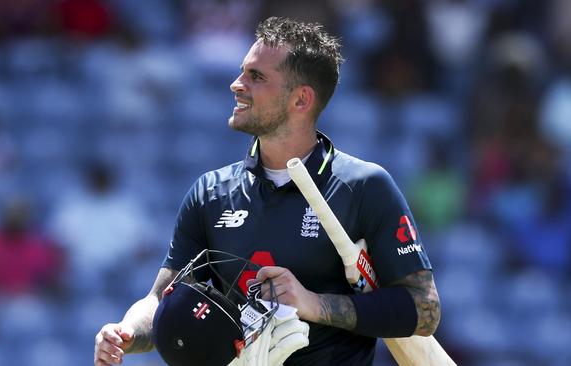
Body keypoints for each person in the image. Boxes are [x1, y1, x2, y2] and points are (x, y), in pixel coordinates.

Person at [94, 17, 440, 366]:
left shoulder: (364, 186)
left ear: (301, 100)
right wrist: (125, 334)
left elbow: (424, 309)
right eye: (243, 72)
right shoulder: (210, 192)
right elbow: (160, 300)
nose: (236, 85)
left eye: (256, 77)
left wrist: (313, 304)